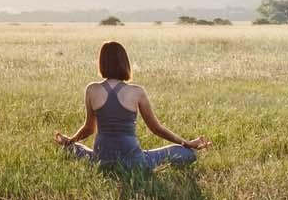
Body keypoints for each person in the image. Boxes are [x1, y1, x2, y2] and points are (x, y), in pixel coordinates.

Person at [54, 40, 210, 170]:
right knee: (189, 154)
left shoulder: (92, 90)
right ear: (125, 63)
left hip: (102, 160)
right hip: (134, 162)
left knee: (70, 149)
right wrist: (187, 143)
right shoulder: (137, 92)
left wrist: (70, 141)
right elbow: (156, 129)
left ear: (101, 63)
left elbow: (89, 128)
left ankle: (75, 149)